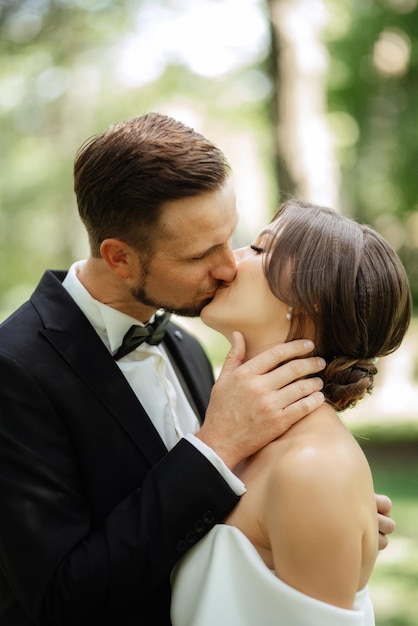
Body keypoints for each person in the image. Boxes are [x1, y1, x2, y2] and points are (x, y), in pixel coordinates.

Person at [0, 114, 393, 626]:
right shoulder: (16, 370)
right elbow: (60, 601)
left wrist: (321, 524)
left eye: (233, 238)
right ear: (119, 258)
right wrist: (216, 448)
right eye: (200, 254)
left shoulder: (187, 345)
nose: (229, 266)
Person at [171, 199, 412, 626]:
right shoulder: (241, 439)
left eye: (259, 250)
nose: (230, 262)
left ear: (309, 301)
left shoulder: (312, 470)